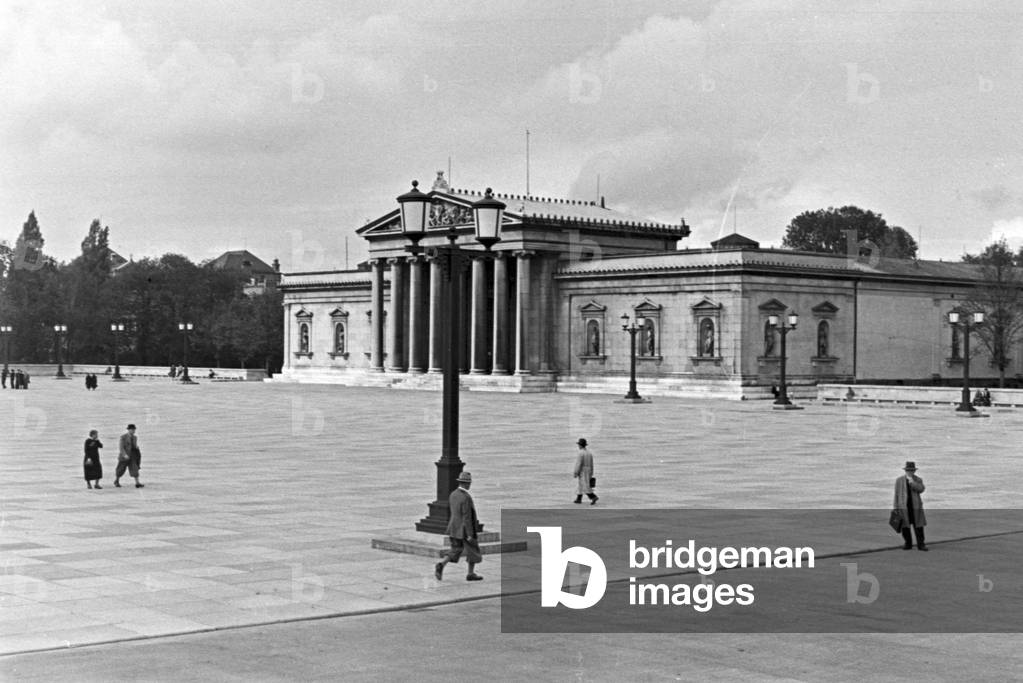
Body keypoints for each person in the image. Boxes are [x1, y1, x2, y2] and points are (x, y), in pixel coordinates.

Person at [434, 471, 483, 582]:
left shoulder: (453, 494)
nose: (470, 485)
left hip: (454, 528)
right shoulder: (466, 498)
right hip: (464, 530)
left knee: (455, 549)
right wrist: (470, 534)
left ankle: (442, 564)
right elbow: (467, 517)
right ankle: (470, 573)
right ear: (466, 484)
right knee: (473, 550)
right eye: (469, 483)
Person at [893, 461, 927, 551]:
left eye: (911, 470)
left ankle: (921, 545)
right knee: (905, 527)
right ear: (905, 470)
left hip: (915, 507)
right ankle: (908, 544)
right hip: (903, 507)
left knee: (919, 527)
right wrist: (895, 508)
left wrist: (912, 482)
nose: (910, 472)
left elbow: (921, 489)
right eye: (908, 470)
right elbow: (896, 494)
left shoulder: (918, 479)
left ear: (914, 471)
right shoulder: (899, 480)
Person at [115, 423, 144, 488]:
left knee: (135, 469)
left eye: (134, 430)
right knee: (120, 469)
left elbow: (134, 446)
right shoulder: (123, 437)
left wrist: (136, 448)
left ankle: (137, 483)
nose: (134, 431)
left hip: (132, 456)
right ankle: (117, 480)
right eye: (132, 430)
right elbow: (121, 447)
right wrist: (124, 455)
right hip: (124, 457)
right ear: (129, 430)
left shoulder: (135, 437)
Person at [573, 438, 598, 505]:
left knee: (585, 485)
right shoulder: (589, 453)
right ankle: (579, 499)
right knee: (581, 485)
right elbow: (592, 464)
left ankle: (593, 497)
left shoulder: (580, 453)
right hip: (589, 470)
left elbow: (579, 463)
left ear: (580, 445)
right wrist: (591, 472)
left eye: (578, 445)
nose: (578, 446)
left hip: (583, 471)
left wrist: (576, 472)